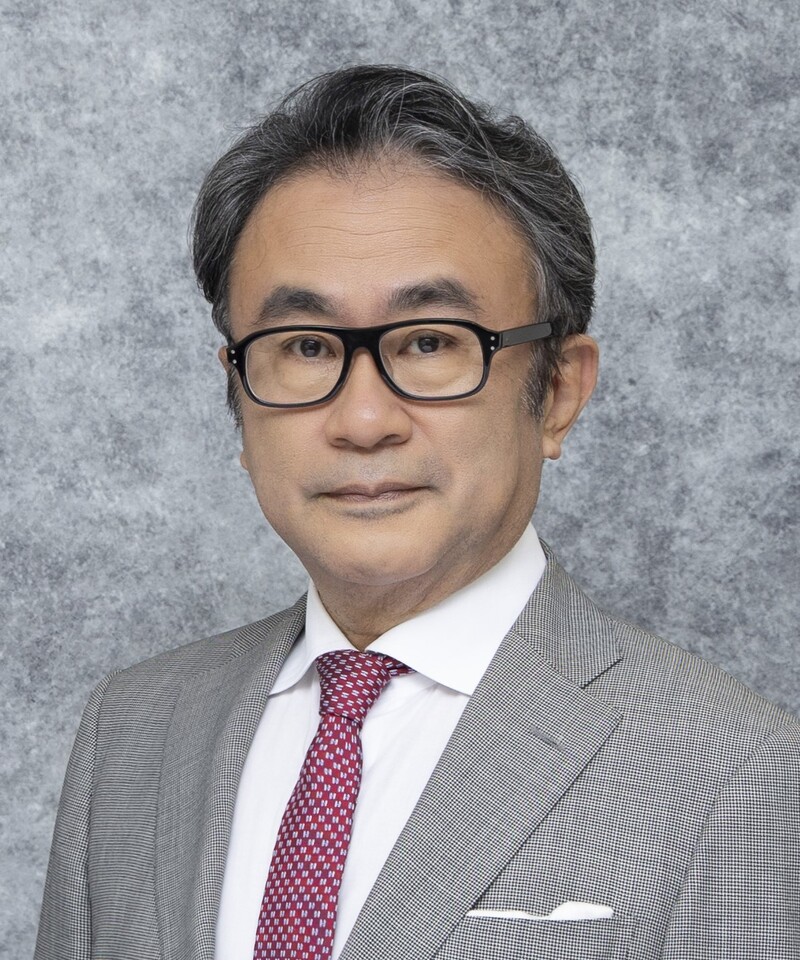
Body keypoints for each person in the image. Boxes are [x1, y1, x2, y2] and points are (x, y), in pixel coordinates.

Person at [35, 65, 799, 960]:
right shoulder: (130, 730)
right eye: (305, 347)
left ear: (558, 392)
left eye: (431, 342)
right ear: (236, 395)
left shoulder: (740, 772)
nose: (363, 421)